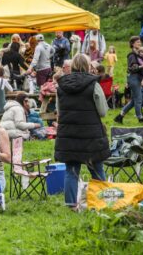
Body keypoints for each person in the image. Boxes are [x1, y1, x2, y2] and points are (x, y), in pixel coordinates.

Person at [54, 53, 109, 208]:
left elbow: (59, 111)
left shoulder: (61, 86)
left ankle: (71, 204)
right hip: (91, 134)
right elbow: (103, 112)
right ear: (88, 66)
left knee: (71, 170)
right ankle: (102, 201)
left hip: (68, 133)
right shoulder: (94, 85)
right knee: (97, 169)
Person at [114, 36, 143, 124]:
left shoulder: (138, 55)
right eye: (137, 42)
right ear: (132, 44)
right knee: (138, 99)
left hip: (137, 79)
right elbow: (132, 68)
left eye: (140, 42)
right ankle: (140, 119)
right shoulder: (132, 55)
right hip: (133, 79)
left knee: (134, 101)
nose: (139, 43)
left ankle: (120, 116)